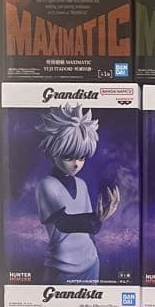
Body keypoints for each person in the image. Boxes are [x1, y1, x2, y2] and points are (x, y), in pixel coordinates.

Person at [34, 103, 120, 285]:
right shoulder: (47, 185)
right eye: (68, 157)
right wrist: (97, 218)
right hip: (61, 267)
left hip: (91, 263)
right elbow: (64, 222)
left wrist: (97, 221)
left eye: (81, 157)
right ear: (52, 152)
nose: (76, 164)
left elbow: (89, 231)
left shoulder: (81, 185)